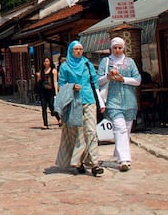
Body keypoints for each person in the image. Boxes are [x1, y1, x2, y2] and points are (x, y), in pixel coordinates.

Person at [55, 40, 104, 176]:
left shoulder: (87, 64)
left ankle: (95, 163)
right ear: (71, 51)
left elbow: (94, 82)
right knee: (78, 133)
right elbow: (61, 84)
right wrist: (72, 87)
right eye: (76, 49)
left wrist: (101, 101)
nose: (78, 52)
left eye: (80, 49)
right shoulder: (65, 67)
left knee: (91, 131)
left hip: (89, 100)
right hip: (74, 102)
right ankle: (80, 161)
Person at [98, 36, 141, 172]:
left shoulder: (130, 62)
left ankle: (119, 153)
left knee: (126, 130)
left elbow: (137, 80)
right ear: (111, 48)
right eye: (115, 48)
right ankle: (125, 159)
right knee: (119, 128)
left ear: (123, 48)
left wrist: (124, 79)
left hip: (129, 100)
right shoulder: (105, 62)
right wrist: (108, 76)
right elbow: (98, 81)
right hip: (112, 100)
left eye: (120, 48)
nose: (117, 50)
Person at [36, 57, 59, 129]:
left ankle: (59, 118)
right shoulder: (41, 71)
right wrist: (38, 77)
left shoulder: (53, 71)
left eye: (47, 61)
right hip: (43, 92)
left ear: (50, 62)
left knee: (52, 107)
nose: (46, 63)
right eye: (44, 61)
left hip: (51, 91)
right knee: (44, 107)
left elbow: (55, 82)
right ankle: (45, 124)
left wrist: (56, 92)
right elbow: (38, 81)